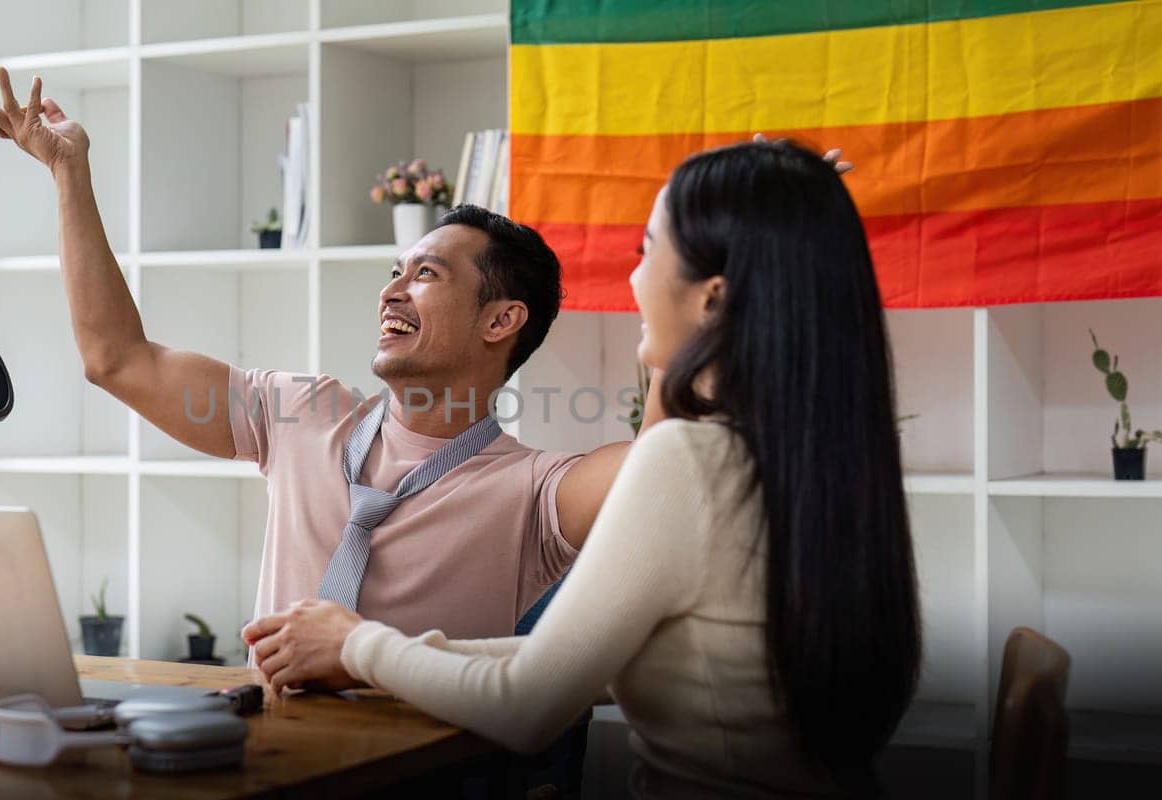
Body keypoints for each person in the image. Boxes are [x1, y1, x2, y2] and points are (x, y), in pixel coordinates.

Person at [242, 140, 923, 797]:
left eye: (647, 250)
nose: (632, 278)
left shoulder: (688, 462)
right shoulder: (813, 462)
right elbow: (557, 671)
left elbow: (527, 703)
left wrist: (360, 646)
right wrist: (373, 655)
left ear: (712, 298)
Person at [0, 69, 638, 657]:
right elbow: (117, 360)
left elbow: (671, 456)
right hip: (264, 757)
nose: (391, 290)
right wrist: (68, 169)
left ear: (501, 319)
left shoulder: (536, 491)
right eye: (393, 270)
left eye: (425, 274)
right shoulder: (301, 414)